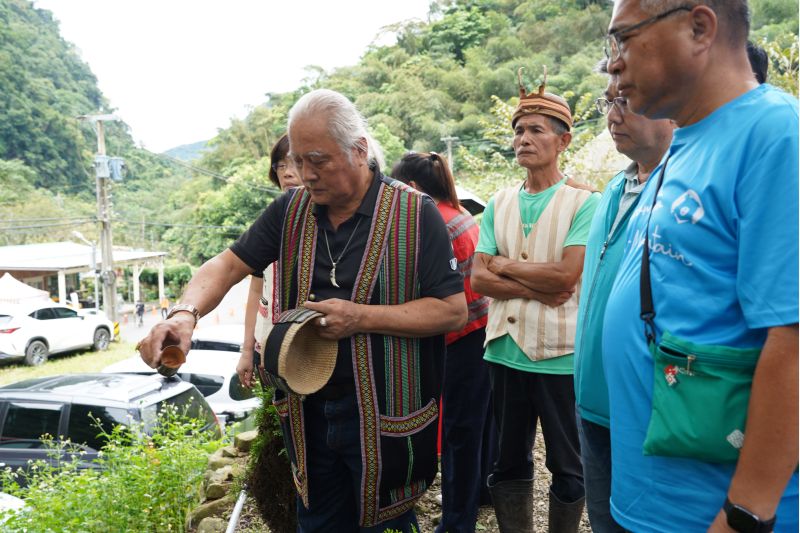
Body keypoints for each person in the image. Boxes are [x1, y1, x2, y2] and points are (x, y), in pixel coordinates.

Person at [137, 88, 467, 532]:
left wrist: (361, 317)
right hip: (307, 416)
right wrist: (184, 314)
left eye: (318, 160)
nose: (305, 174)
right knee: (317, 522)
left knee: (386, 523)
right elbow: (229, 264)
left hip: (386, 414)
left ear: (360, 150)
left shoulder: (415, 214)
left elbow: (451, 310)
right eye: (297, 160)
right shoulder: (290, 211)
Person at [603, 1, 798, 531]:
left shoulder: (775, 134)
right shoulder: (684, 142)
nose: (612, 64)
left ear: (699, 27)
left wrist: (744, 514)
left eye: (623, 39)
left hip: (709, 512)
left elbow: (793, 338)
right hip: (654, 499)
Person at [471, 71, 600, 533]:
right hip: (503, 349)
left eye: (536, 130)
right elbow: (478, 277)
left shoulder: (584, 203)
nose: (524, 139)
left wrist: (504, 266)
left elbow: (567, 276)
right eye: (519, 131)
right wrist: (534, 283)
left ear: (562, 141)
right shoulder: (499, 201)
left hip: (560, 355)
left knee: (569, 467)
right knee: (507, 462)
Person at [573, 58, 674, 533]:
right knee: (603, 520)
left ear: (672, 108)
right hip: (591, 400)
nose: (613, 115)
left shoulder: (681, 191)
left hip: (649, 410)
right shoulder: (616, 187)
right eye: (608, 101)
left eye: (626, 101)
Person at [391, 152, 494, 533]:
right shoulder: (459, 213)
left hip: (462, 339)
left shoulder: (435, 222)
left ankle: (457, 522)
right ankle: (480, 495)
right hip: (483, 333)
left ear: (413, 189)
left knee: (459, 434)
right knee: (478, 426)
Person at [240, 133, 302, 382]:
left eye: (294, 163)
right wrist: (246, 351)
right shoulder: (270, 225)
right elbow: (256, 291)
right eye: (280, 166)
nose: (286, 173)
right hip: (268, 352)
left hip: (310, 354)